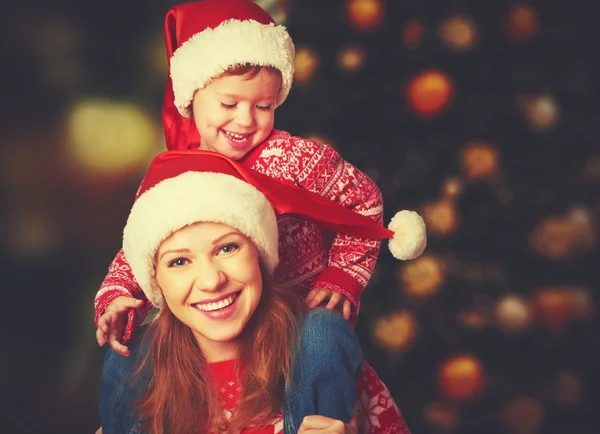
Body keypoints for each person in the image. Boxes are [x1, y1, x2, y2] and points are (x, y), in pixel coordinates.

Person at [95, 0, 426, 430]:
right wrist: (117, 294)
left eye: (264, 107)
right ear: (190, 97)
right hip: (209, 326)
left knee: (323, 333)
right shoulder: (174, 171)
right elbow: (139, 246)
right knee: (129, 352)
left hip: (289, 321)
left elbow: (363, 204)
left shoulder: (297, 159)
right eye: (229, 103)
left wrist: (341, 277)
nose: (246, 120)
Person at [99, 150, 412, 433]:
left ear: (259, 254)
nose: (211, 281)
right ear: (154, 280)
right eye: (179, 261)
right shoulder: (135, 372)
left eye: (227, 248)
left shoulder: (321, 353)